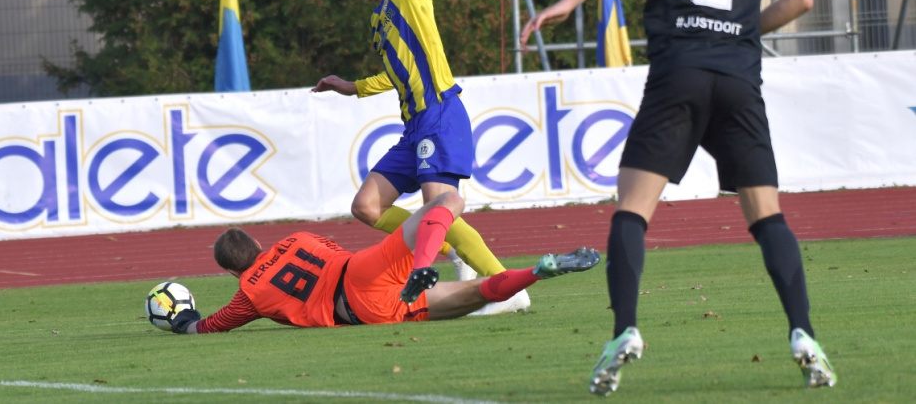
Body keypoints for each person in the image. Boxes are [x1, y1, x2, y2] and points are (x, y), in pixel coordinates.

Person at [520, 0, 836, 395]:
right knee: (767, 216)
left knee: (632, 211)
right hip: (738, 81)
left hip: (678, 75)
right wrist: (743, 31)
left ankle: (624, 329)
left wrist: (568, 0)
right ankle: (804, 333)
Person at [312, 0, 528, 313]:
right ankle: (450, 248)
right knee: (367, 207)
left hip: (439, 115)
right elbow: (396, 74)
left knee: (438, 207)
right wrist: (352, 87)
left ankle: (507, 288)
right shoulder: (378, 19)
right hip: (413, 128)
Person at [167, 192, 599, 333]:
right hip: (363, 267)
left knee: (472, 295)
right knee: (447, 201)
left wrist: (181, 320)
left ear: (231, 270)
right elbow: (331, 249)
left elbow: (207, 327)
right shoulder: (297, 238)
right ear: (259, 243)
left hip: (359, 307)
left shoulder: (248, 293)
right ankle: (426, 261)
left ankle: (536, 273)